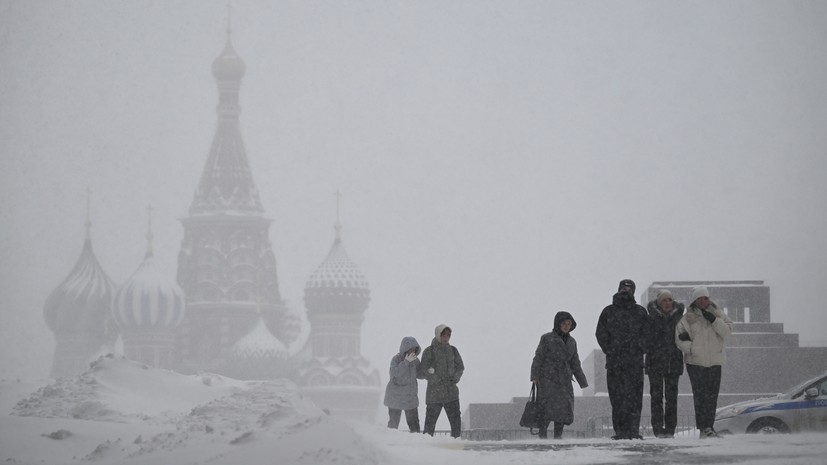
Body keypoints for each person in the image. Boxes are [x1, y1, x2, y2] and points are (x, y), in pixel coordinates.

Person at [675, 286, 733, 439]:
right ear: (694, 300)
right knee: (700, 396)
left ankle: (709, 426)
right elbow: (679, 339)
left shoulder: (718, 314)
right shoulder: (687, 318)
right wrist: (692, 348)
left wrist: (714, 320)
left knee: (712, 396)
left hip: (715, 361)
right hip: (695, 363)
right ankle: (703, 428)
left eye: (705, 298)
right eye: (699, 298)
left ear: (709, 299)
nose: (703, 301)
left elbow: (727, 332)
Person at [595, 279, 650, 440]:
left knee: (634, 398)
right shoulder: (608, 311)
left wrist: (640, 348)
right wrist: (610, 349)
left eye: (629, 287)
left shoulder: (640, 312)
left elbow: (648, 334)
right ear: (619, 289)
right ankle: (620, 431)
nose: (626, 290)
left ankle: (633, 430)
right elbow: (600, 333)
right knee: (617, 398)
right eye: (624, 287)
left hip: (635, 363)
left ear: (633, 290)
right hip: (615, 363)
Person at [531, 311, 589, 439]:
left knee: (562, 411)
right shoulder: (547, 338)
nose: (566, 326)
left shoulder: (572, 341)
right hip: (548, 380)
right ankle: (543, 436)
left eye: (569, 323)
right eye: (564, 323)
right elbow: (538, 358)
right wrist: (535, 376)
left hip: (564, 381)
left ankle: (558, 437)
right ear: (558, 324)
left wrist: (582, 381)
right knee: (546, 410)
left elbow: (575, 363)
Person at [645, 289, 685, 438]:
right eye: (664, 300)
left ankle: (670, 429)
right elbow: (645, 339)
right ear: (659, 303)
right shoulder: (651, 318)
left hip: (673, 363)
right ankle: (658, 429)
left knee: (672, 399)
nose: (667, 303)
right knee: (656, 398)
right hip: (655, 363)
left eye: (669, 300)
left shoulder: (679, 318)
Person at [420, 324, 464, 438]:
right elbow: (423, 369)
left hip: (451, 394)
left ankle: (456, 448)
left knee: (456, 427)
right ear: (438, 335)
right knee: (429, 429)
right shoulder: (429, 351)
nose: (446, 338)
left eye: (448, 335)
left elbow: (460, 367)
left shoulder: (453, 350)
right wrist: (434, 379)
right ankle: (425, 450)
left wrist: (455, 377)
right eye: (443, 335)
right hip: (434, 395)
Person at [383, 336, 422, 432]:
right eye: (410, 349)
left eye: (414, 349)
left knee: (414, 426)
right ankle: (390, 444)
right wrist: (406, 362)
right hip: (395, 397)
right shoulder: (396, 359)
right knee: (393, 425)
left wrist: (428, 372)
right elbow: (395, 375)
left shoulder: (415, 361)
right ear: (404, 349)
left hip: (410, 398)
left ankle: (417, 445)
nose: (412, 352)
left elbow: (420, 374)